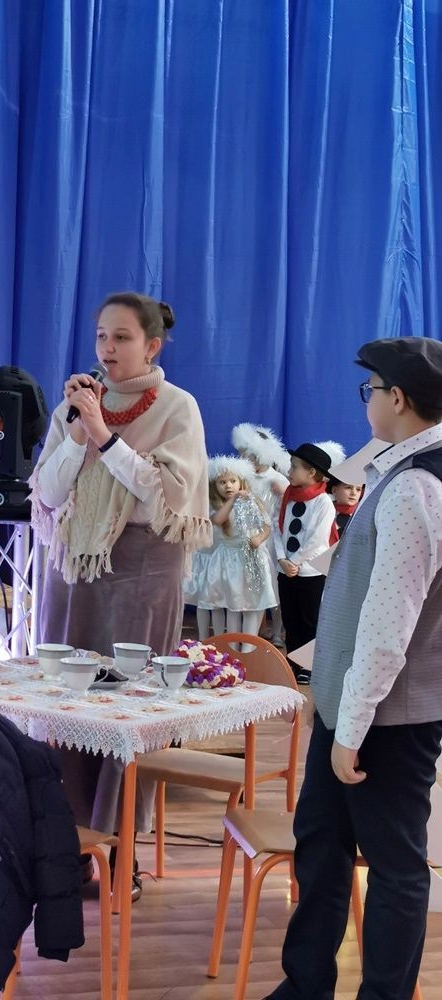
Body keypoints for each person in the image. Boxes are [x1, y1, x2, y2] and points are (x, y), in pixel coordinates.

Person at [267, 337, 442, 1000]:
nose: (366, 400)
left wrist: (351, 728)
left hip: (385, 719)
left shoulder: (416, 486)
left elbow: (388, 626)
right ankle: (305, 985)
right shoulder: (400, 470)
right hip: (354, 709)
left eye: (370, 389)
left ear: (397, 398)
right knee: (321, 844)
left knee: (394, 865)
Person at [30, 291, 211, 896]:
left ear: (152, 345)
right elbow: (48, 493)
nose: (107, 349)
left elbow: (168, 499)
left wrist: (106, 437)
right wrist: (78, 435)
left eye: (122, 338)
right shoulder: (76, 405)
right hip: (75, 568)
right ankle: (68, 847)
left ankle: (122, 851)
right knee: (68, 702)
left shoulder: (178, 407)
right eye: (101, 336)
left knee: (128, 708)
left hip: (143, 569)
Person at [190, 455, 275, 640]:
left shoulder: (253, 501)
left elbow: (267, 525)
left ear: (241, 482)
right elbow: (217, 520)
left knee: (252, 603)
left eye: (232, 481)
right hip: (229, 559)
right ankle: (231, 644)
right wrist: (233, 500)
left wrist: (259, 538)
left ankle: (248, 645)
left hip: (251, 558)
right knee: (232, 604)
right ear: (215, 485)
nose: (228, 486)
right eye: (222, 482)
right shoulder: (217, 506)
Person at [274, 442, 339, 683]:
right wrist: (282, 559)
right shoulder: (288, 497)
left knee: (309, 620)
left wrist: (294, 561)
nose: (289, 471)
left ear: (311, 472)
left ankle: (308, 666)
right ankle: (292, 661)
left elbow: (317, 540)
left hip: (310, 572)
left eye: (294, 467)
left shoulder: (323, 502)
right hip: (286, 569)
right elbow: (277, 527)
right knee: (291, 619)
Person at [231, 423, 290, 645]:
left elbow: (284, 511)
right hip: (246, 538)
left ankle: (277, 631)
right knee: (248, 584)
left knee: (272, 585)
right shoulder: (241, 478)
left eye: (252, 455)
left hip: (270, 539)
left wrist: (284, 493)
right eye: (244, 455)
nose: (248, 460)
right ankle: (254, 630)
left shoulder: (277, 480)